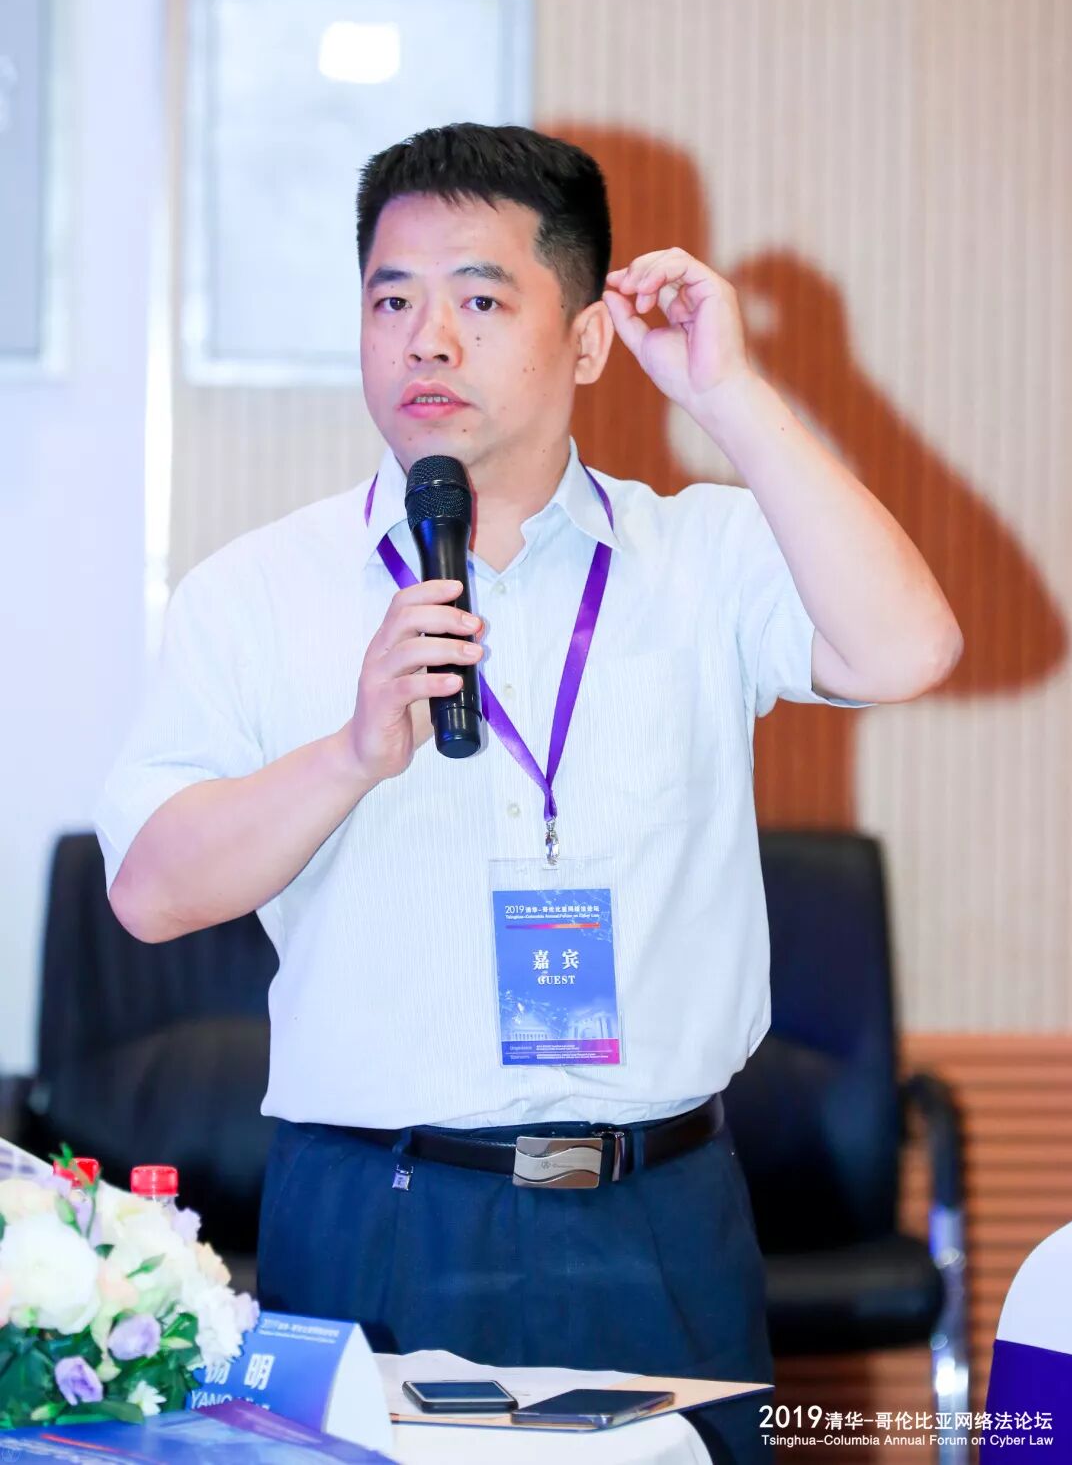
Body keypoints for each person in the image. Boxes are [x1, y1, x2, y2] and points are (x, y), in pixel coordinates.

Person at [95, 122, 962, 1462]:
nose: (426, 341)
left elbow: (908, 651)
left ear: (589, 339)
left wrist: (731, 394)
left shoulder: (705, 556)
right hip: (376, 1216)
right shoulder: (255, 594)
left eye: (482, 301)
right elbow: (150, 892)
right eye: (392, 301)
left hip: (658, 1217)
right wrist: (348, 755)